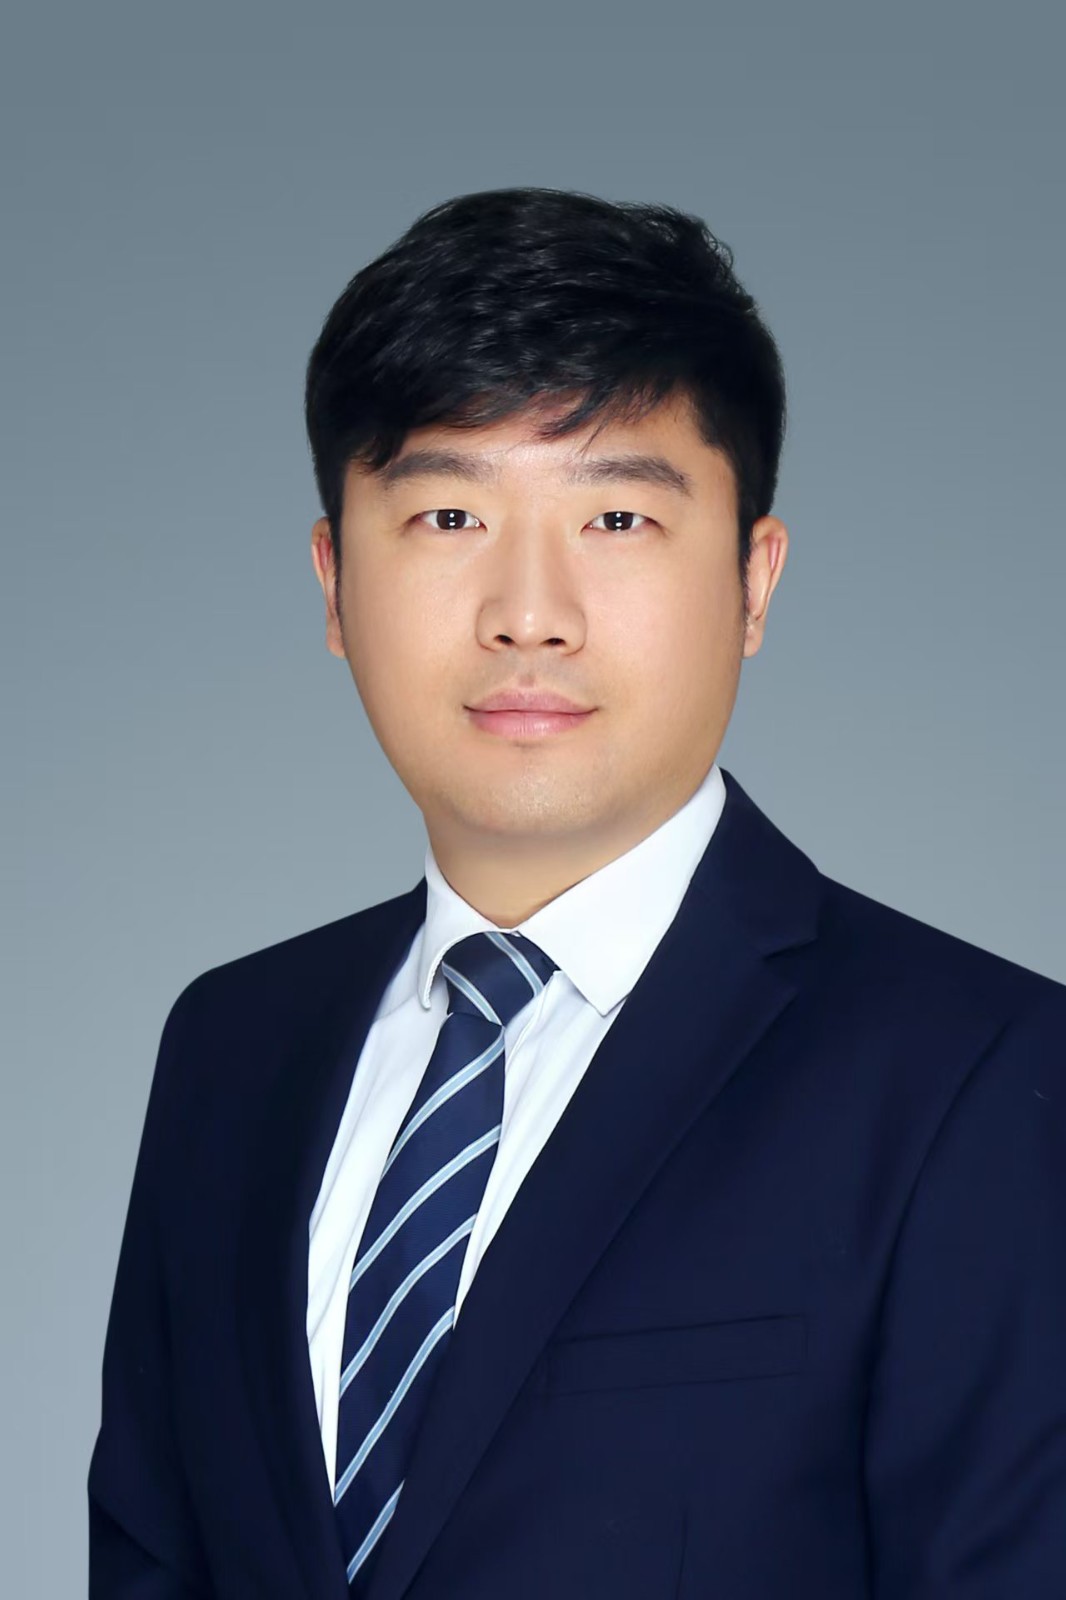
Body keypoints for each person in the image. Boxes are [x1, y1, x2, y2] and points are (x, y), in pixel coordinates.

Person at [88, 186, 1066, 1599]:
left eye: (615, 515)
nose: (528, 613)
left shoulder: (984, 1074)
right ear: (332, 582)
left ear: (753, 582)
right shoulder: (231, 1047)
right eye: (447, 514)